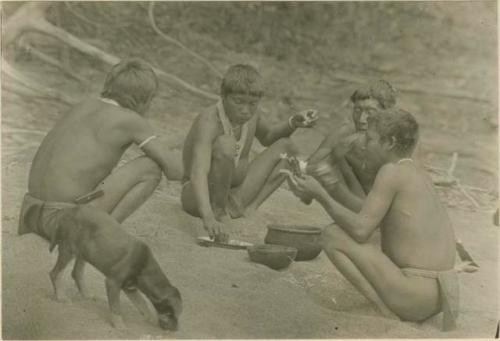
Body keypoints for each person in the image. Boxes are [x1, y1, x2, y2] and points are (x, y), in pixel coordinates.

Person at [286, 108, 462, 330]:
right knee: (364, 236)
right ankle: (393, 305)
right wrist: (323, 186)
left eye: (370, 139)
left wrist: (320, 195)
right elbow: (367, 214)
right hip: (440, 295)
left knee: (332, 234)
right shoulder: (415, 172)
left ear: (389, 142)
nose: (363, 144)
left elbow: (360, 230)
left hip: (415, 295)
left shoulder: (390, 172)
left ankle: (383, 310)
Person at [18, 58, 181, 242]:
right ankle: (104, 237)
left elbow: (157, 145)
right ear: (144, 99)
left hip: (31, 216)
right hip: (61, 220)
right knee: (149, 167)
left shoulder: (83, 106)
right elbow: (175, 171)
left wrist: (174, 141)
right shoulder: (130, 120)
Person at [181, 64, 318, 241]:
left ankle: (248, 209)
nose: (245, 110)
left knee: (287, 146)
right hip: (199, 197)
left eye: (252, 104)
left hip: (235, 194)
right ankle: (219, 213)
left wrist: (293, 122)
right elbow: (198, 173)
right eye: (238, 102)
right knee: (226, 143)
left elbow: (268, 137)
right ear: (223, 96)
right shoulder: (209, 121)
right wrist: (208, 217)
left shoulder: (252, 115)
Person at [304, 80, 397, 207]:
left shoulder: (393, 140)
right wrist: (335, 155)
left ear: (386, 113)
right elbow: (308, 168)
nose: (361, 119)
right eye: (357, 110)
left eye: (370, 112)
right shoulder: (344, 132)